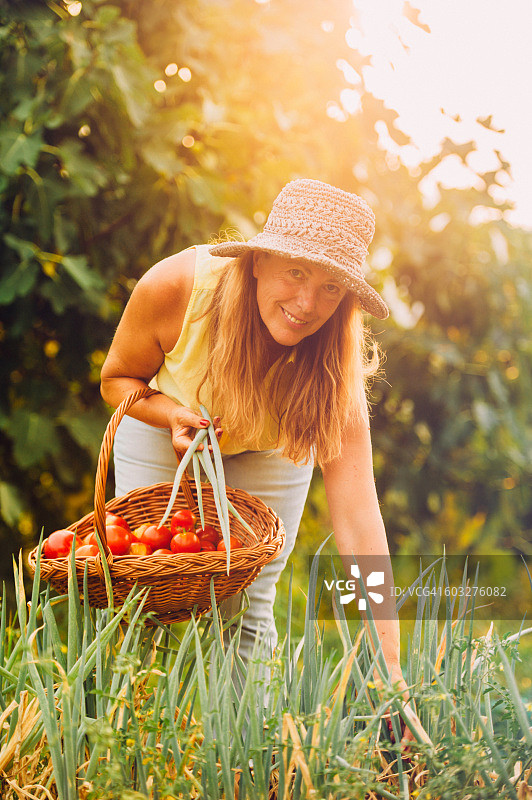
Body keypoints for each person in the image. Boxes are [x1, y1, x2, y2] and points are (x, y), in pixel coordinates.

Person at [100, 178, 417, 745]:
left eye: (329, 287)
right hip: (163, 425)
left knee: (247, 601)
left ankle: (242, 753)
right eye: (295, 272)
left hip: (268, 447)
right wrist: (172, 413)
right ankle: (131, 744)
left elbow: (359, 521)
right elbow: (117, 380)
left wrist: (389, 664)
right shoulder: (177, 288)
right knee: (143, 592)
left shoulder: (332, 372)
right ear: (258, 262)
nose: (306, 304)